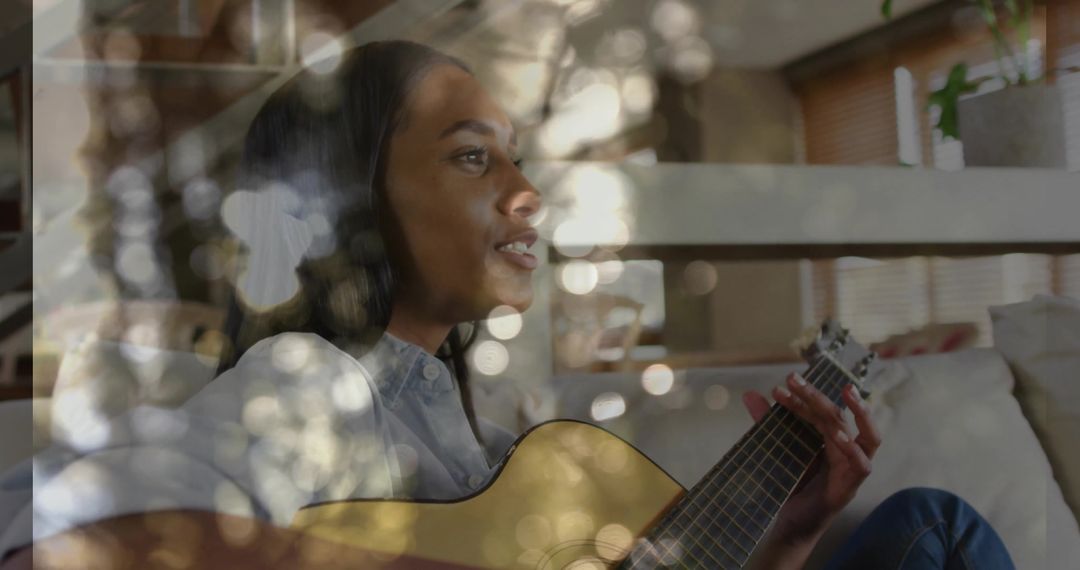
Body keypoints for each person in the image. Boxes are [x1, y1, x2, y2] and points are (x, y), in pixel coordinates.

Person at [0, 41, 1015, 569]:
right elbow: (71, 546)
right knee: (939, 532)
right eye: (475, 157)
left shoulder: (478, 431)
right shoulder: (309, 380)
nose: (527, 192)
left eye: (517, 158)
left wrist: (787, 532)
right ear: (347, 203)